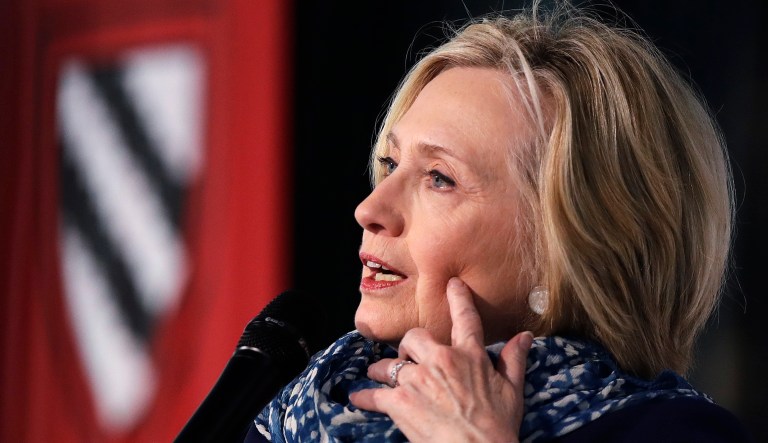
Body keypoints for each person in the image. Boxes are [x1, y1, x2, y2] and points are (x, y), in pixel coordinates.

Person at [248, 2, 753, 442]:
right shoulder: (297, 414)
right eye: (390, 164)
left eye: (440, 178)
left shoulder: (668, 433)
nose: (370, 210)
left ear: (568, 250)